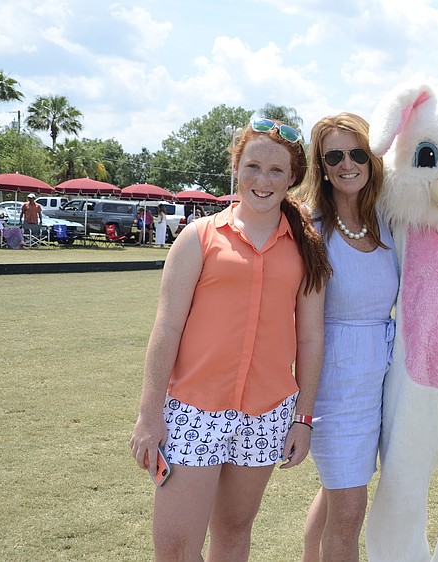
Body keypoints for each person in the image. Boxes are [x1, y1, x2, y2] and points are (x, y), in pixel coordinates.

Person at [129, 116, 332, 561]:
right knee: (176, 548)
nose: (264, 180)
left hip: (267, 416)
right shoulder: (198, 238)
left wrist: (303, 418)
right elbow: (166, 327)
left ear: (293, 177)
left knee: (235, 534)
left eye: (277, 170)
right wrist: (149, 415)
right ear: (235, 167)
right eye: (253, 166)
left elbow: (311, 339)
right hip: (193, 410)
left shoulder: (308, 247)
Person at [298, 113, 399, 562]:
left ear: (373, 159)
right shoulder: (312, 228)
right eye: (334, 155)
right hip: (335, 386)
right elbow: (308, 330)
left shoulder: (387, 220)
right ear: (320, 164)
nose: (347, 163)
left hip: (381, 375)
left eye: (357, 153)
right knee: (348, 511)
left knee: (337, 492)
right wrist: (303, 412)